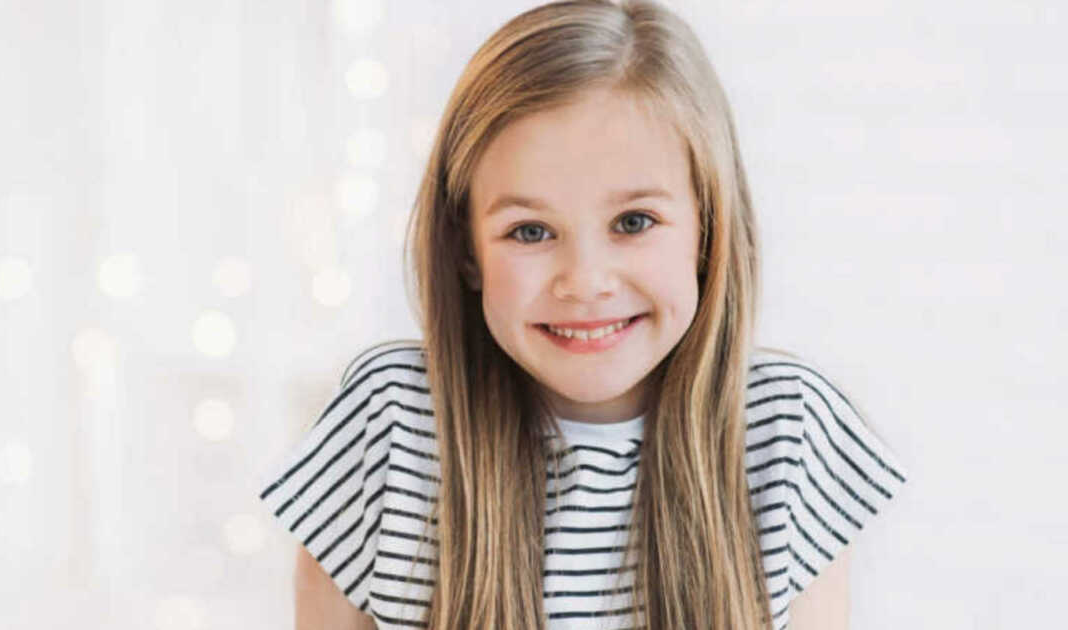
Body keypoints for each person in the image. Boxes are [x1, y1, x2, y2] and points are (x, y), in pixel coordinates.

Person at [258, 1, 910, 628]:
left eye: (633, 222)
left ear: (708, 228)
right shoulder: (391, 425)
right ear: (466, 250)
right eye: (531, 231)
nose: (585, 282)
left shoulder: (785, 435)